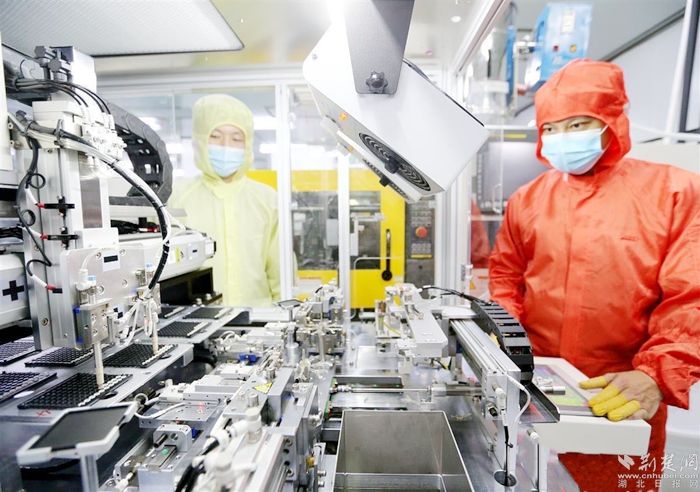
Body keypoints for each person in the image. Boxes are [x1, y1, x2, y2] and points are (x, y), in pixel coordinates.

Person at [488, 59, 700, 491]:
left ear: (611, 122)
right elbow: (506, 276)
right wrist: (500, 337)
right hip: (535, 388)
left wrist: (656, 375)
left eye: (578, 124)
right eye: (551, 128)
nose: (563, 138)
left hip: (622, 394)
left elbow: (690, 298)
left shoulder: (675, 193)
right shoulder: (528, 200)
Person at [170, 94, 280, 306]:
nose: (226, 146)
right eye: (215, 136)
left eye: (236, 139)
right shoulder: (177, 198)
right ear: (200, 141)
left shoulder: (267, 199)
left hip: (259, 317)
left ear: (248, 144)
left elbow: (279, 270)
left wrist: (284, 315)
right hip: (197, 318)